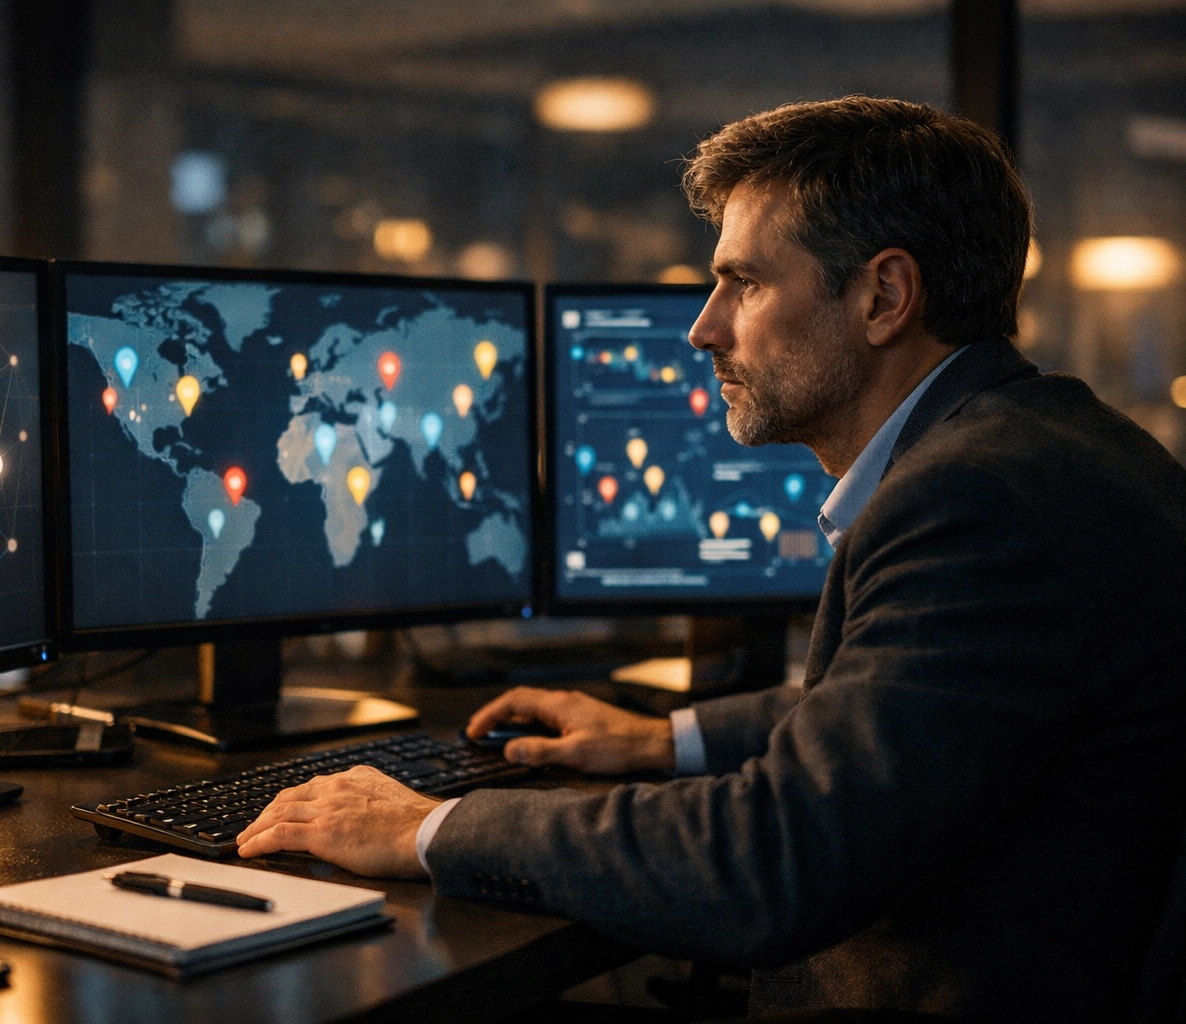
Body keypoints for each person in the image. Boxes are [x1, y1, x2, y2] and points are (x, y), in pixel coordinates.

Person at [237, 96, 1186, 1021]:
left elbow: (777, 857)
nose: (704, 326)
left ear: (884, 297)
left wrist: (432, 827)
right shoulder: (1063, 444)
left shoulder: (974, 502)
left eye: (746, 283)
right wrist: (666, 740)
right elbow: (906, 710)